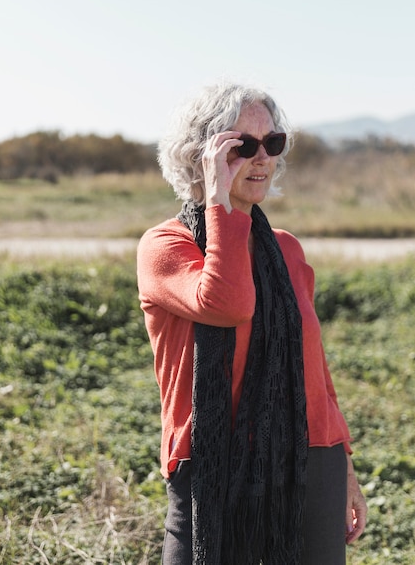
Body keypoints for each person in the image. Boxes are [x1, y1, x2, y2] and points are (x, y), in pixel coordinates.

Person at [137, 82, 367, 565]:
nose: (262, 158)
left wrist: (343, 466)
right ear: (201, 156)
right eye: (242, 146)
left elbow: (315, 369)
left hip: (310, 455)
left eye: (273, 143)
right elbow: (226, 302)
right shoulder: (166, 247)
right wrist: (219, 200)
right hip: (211, 460)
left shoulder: (286, 249)